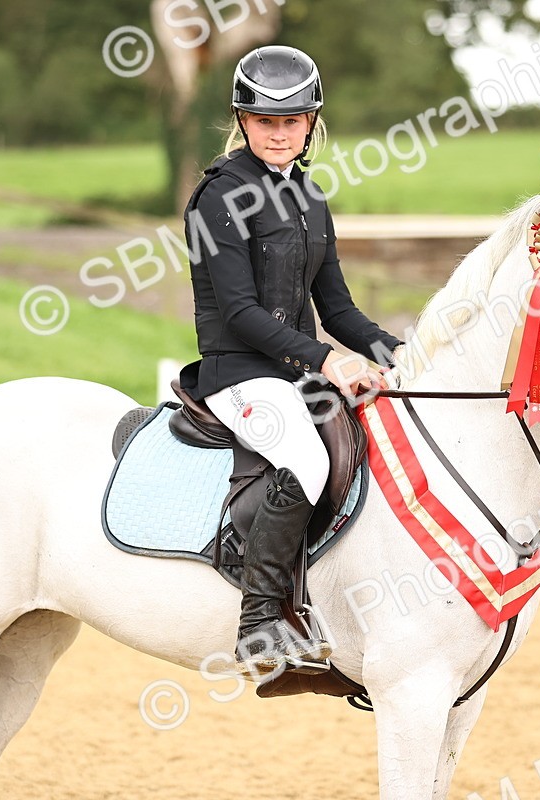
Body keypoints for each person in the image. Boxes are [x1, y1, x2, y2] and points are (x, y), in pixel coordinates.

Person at [178, 45, 404, 677]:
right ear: (242, 122)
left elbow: (338, 309)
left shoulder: (309, 196)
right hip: (237, 373)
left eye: (292, 122)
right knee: (305, 456)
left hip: (293, 371)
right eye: (265, 122)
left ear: (311, 125)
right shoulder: (217, 198)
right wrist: (328, 363)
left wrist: (407, 356)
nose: (279, 134)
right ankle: (260, 624)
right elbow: (241, 313)